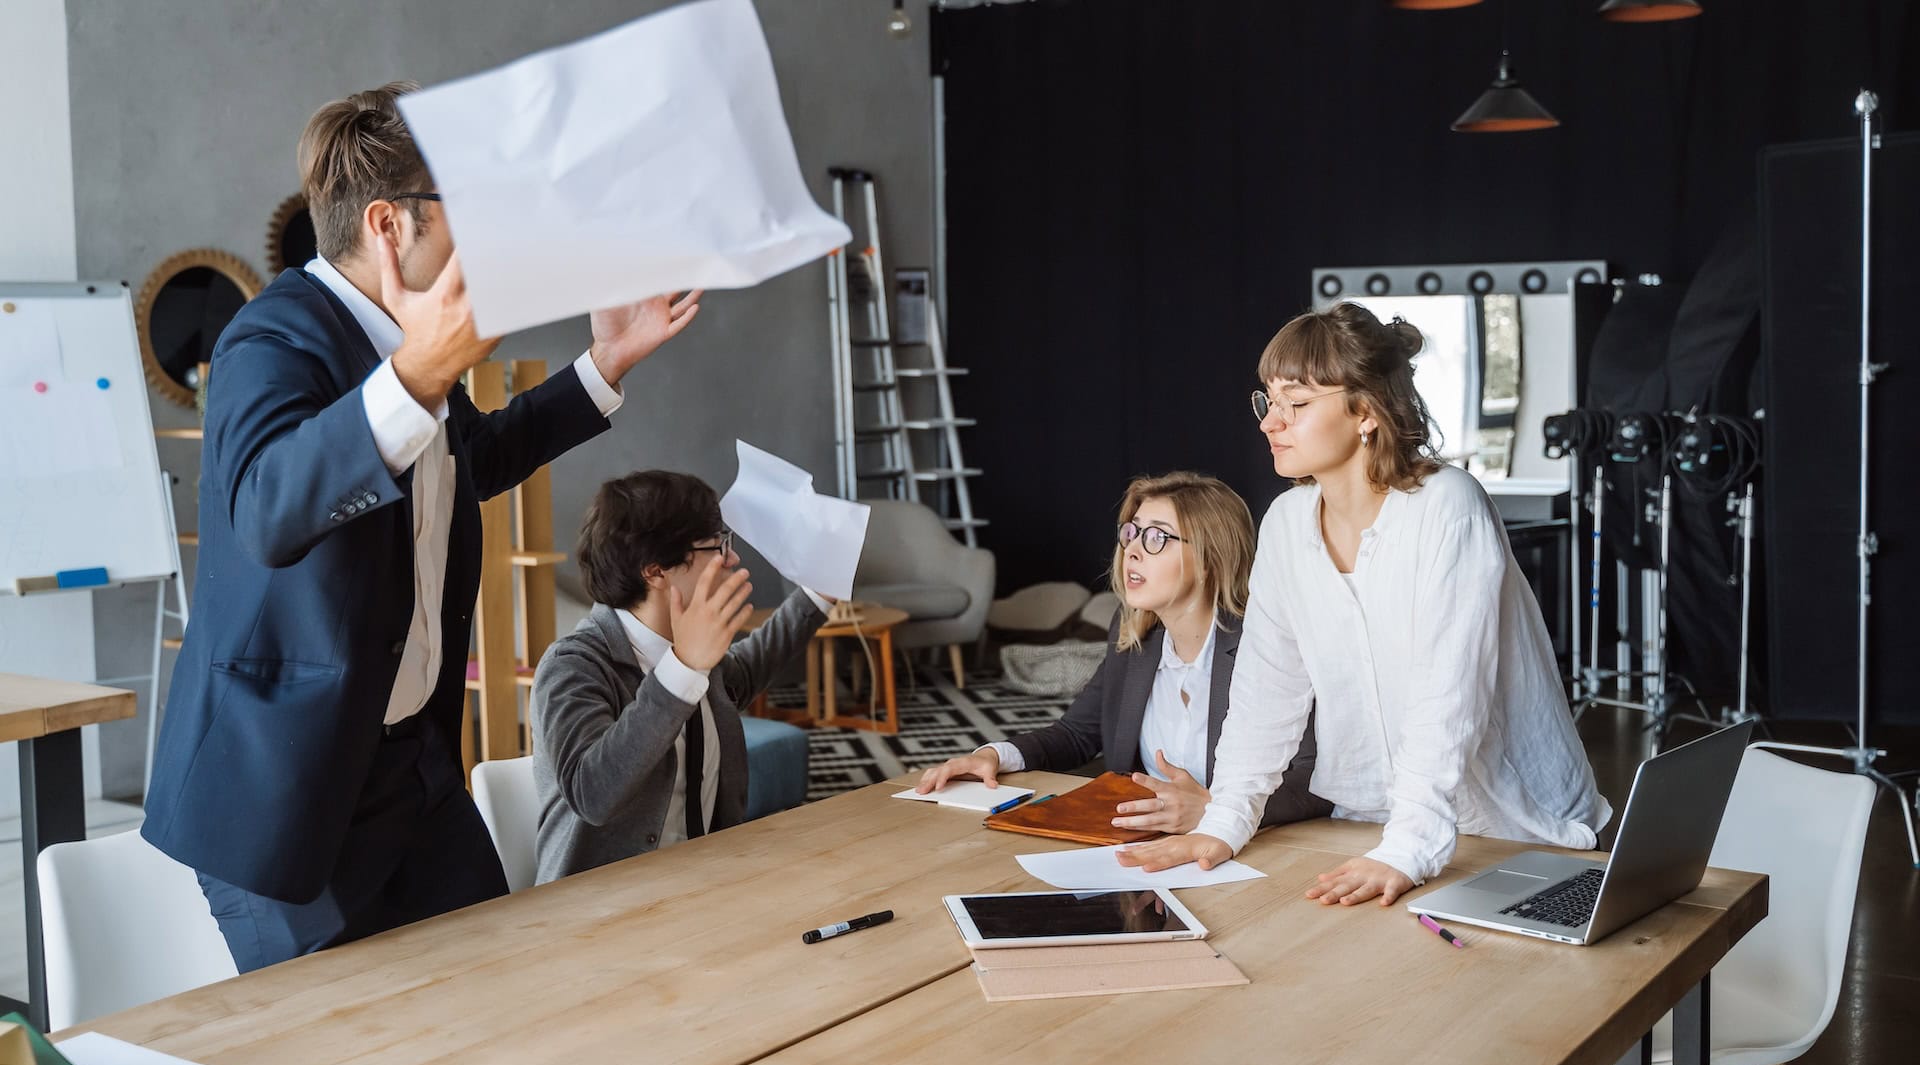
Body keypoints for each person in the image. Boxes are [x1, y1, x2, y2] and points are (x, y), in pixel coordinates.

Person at [141, 82, 703, 971]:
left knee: (501, 1001)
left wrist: (603, 365)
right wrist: (412, 378)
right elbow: (268, 510)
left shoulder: (401, 339)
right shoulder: (270, 339)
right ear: (389, 226)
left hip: (411, 768)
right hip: (289, 786)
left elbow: (468, 462)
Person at [1118, 303, 1610, 907]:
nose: (1272, 422)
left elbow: (1448, 697)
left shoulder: (1446, 506)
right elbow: (1264, 697)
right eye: (1268, 401)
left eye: (1297, 405)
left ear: (1366, 413)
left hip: (1515, 829)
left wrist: (1408, 848)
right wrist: (1224, 822)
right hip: (1366, 825)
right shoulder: (1286, 523)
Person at [915, 471, 1332, 834]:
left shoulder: (1268, 643)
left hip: (1261, 847)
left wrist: (1217, 811)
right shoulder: (1137, 636)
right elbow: (1078, 733)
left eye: (1156, 538)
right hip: (1145, 846)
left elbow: (1314, 779)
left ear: (1210, 556)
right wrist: (993, 755)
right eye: (1131, 533)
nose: (1131, 549)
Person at [529, 470, 833, 883]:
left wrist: (818, 593)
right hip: (603, 914)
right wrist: (683, 668)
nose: (732, 558)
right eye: (716, 545)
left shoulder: (692, 649)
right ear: (655, 572)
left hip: (708, 885)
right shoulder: (572, 665)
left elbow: (748, 668)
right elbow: (592, 793)